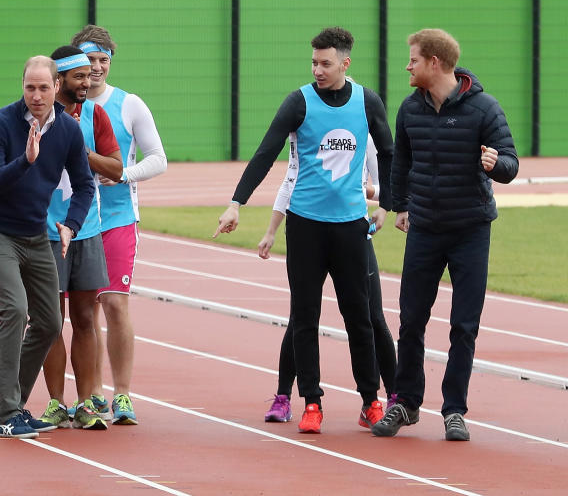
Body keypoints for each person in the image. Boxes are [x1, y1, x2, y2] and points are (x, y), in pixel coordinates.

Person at [214, 27, 393, 434]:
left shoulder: (367, 102)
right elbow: (265, 152)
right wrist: (236, 203)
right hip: (307, 226)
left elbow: (390, 151)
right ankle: (312, 402)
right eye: (314, 62)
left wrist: (388, 204)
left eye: (325, 63)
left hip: (351, 226)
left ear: (345, 63)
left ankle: (370, 400)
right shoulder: (299, 102)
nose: (317, 70)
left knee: (359, 319)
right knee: (305, 317)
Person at [371, 29, 518, 442]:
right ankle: (406, 403)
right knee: (411, 320)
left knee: (463, 325)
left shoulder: (484, 108)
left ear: (434, 62)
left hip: (471, 230)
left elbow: (511, 162)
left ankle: (454, 410)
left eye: (413, 59)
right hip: (425, 229)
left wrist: (495, 163)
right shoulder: (409, 109)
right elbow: (401, 162)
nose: (408, 66)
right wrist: (400, 205)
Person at [0, 55, 95, 439]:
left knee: (50, 321)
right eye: (30, 88)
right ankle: (7, 411)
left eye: (44, 88)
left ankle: (14, 406)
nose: (37, 96)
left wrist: (71, 225)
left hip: (36, 234)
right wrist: (25, 161)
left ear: (57, 87)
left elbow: (85, 184)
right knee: (15, 310)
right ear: (21, 87)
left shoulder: (69, 131)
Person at [260, 133, 397, 425]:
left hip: (352, 230)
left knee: (370, 316)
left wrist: (367, 193)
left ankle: (393, 396)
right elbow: (291, 179)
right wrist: (272, 230)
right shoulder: (309, 129)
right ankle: (284, 396)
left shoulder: (364, 129)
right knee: (301, 316)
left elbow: (387, 183)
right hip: (312, 231)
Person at [72, 25, 168, 425]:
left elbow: (158, 158)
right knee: (82, 312)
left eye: (103, 61)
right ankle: (91, 394)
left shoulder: (128, 104)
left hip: (116, 218)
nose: (96, 68)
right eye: (89, 61)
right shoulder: (60, 105)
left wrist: (124, 173)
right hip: (73, 221)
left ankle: (123, 395)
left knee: (114, 303)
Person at [37, 46, 122, 431]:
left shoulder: (95, 114)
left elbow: (117, 168)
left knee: (85, 318)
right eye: (79, 77)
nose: (88, 83)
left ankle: (89, 402)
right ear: (59, 82)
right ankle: (56, 402)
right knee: (49, 320)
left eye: (91, 76)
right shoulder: (34, 116)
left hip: (86, 229)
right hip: (45, 233)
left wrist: (79, 150)